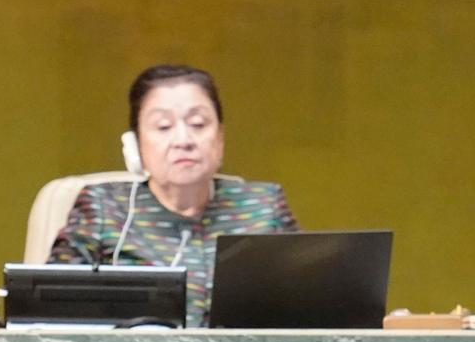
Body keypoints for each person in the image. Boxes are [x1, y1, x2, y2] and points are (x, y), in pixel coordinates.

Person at [48, 65, 300, 327]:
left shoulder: (264, 206)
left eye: (198, 124)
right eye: (163, 126)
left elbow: (310, 305)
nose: (183, 140)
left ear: (220, 137)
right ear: (136, 146)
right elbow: (47, 312)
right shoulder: (103, 208)